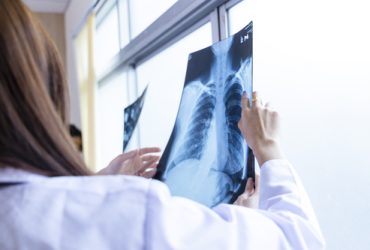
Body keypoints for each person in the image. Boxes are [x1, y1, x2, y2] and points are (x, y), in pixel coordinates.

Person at [0, 0, 325, 249]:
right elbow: (300, 240)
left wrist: (89, 182)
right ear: (34, 97)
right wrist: (268, 149)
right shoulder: (127, 211)